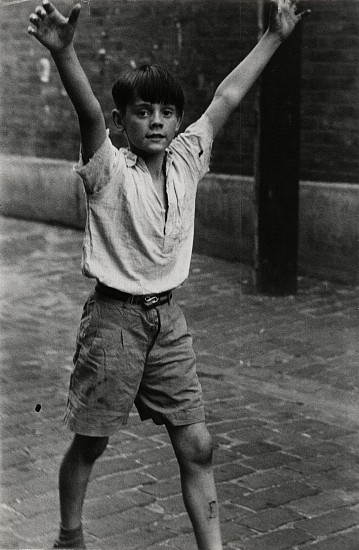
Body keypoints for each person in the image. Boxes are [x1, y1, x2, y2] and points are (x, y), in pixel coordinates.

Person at [28, 1, 309, 548]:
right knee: (91, 444)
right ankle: (69, 536)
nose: (155, 120)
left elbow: (227, 95)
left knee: (198, 444)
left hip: (167, 323)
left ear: (178, 122)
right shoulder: (108, 167)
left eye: (165, 112)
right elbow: (87, 114)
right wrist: (65, 53)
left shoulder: (187, 158)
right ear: (121, 122)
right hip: (113, 324)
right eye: (141, 112)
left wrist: (274, 35)